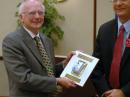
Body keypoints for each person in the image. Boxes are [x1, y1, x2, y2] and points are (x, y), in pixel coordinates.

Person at [2, 0, 76, 97]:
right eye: (32, 13)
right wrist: (57, 81)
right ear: (21, 17)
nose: (37, 16)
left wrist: (65, 63)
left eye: (40, 13)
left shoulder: (47, 40)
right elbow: (23, 78)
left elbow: (49, 72)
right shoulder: (12, 41)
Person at [92, 0, 130, 97]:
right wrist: (105, 92)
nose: (118, 3)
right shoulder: (104, 29)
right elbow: (96, 67)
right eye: (115, 0)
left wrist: (124, 92)